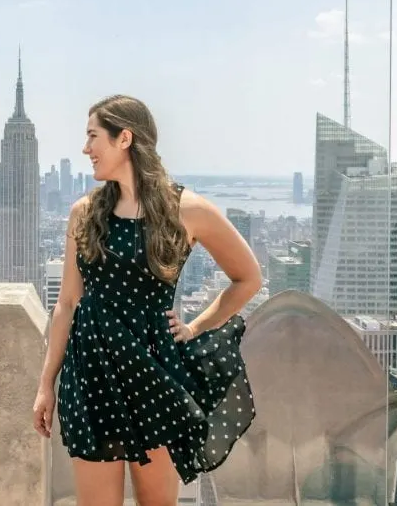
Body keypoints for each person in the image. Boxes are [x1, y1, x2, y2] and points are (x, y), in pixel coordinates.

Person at [32, 94, 261, 506]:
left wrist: (195, 327)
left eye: (92, 137)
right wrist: (45, 384)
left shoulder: (187, 210)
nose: (86, 149)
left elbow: (248, 278)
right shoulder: (83, 213)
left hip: (154, 372)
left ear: (124, 139)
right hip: (91, 375)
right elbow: (66, 304)